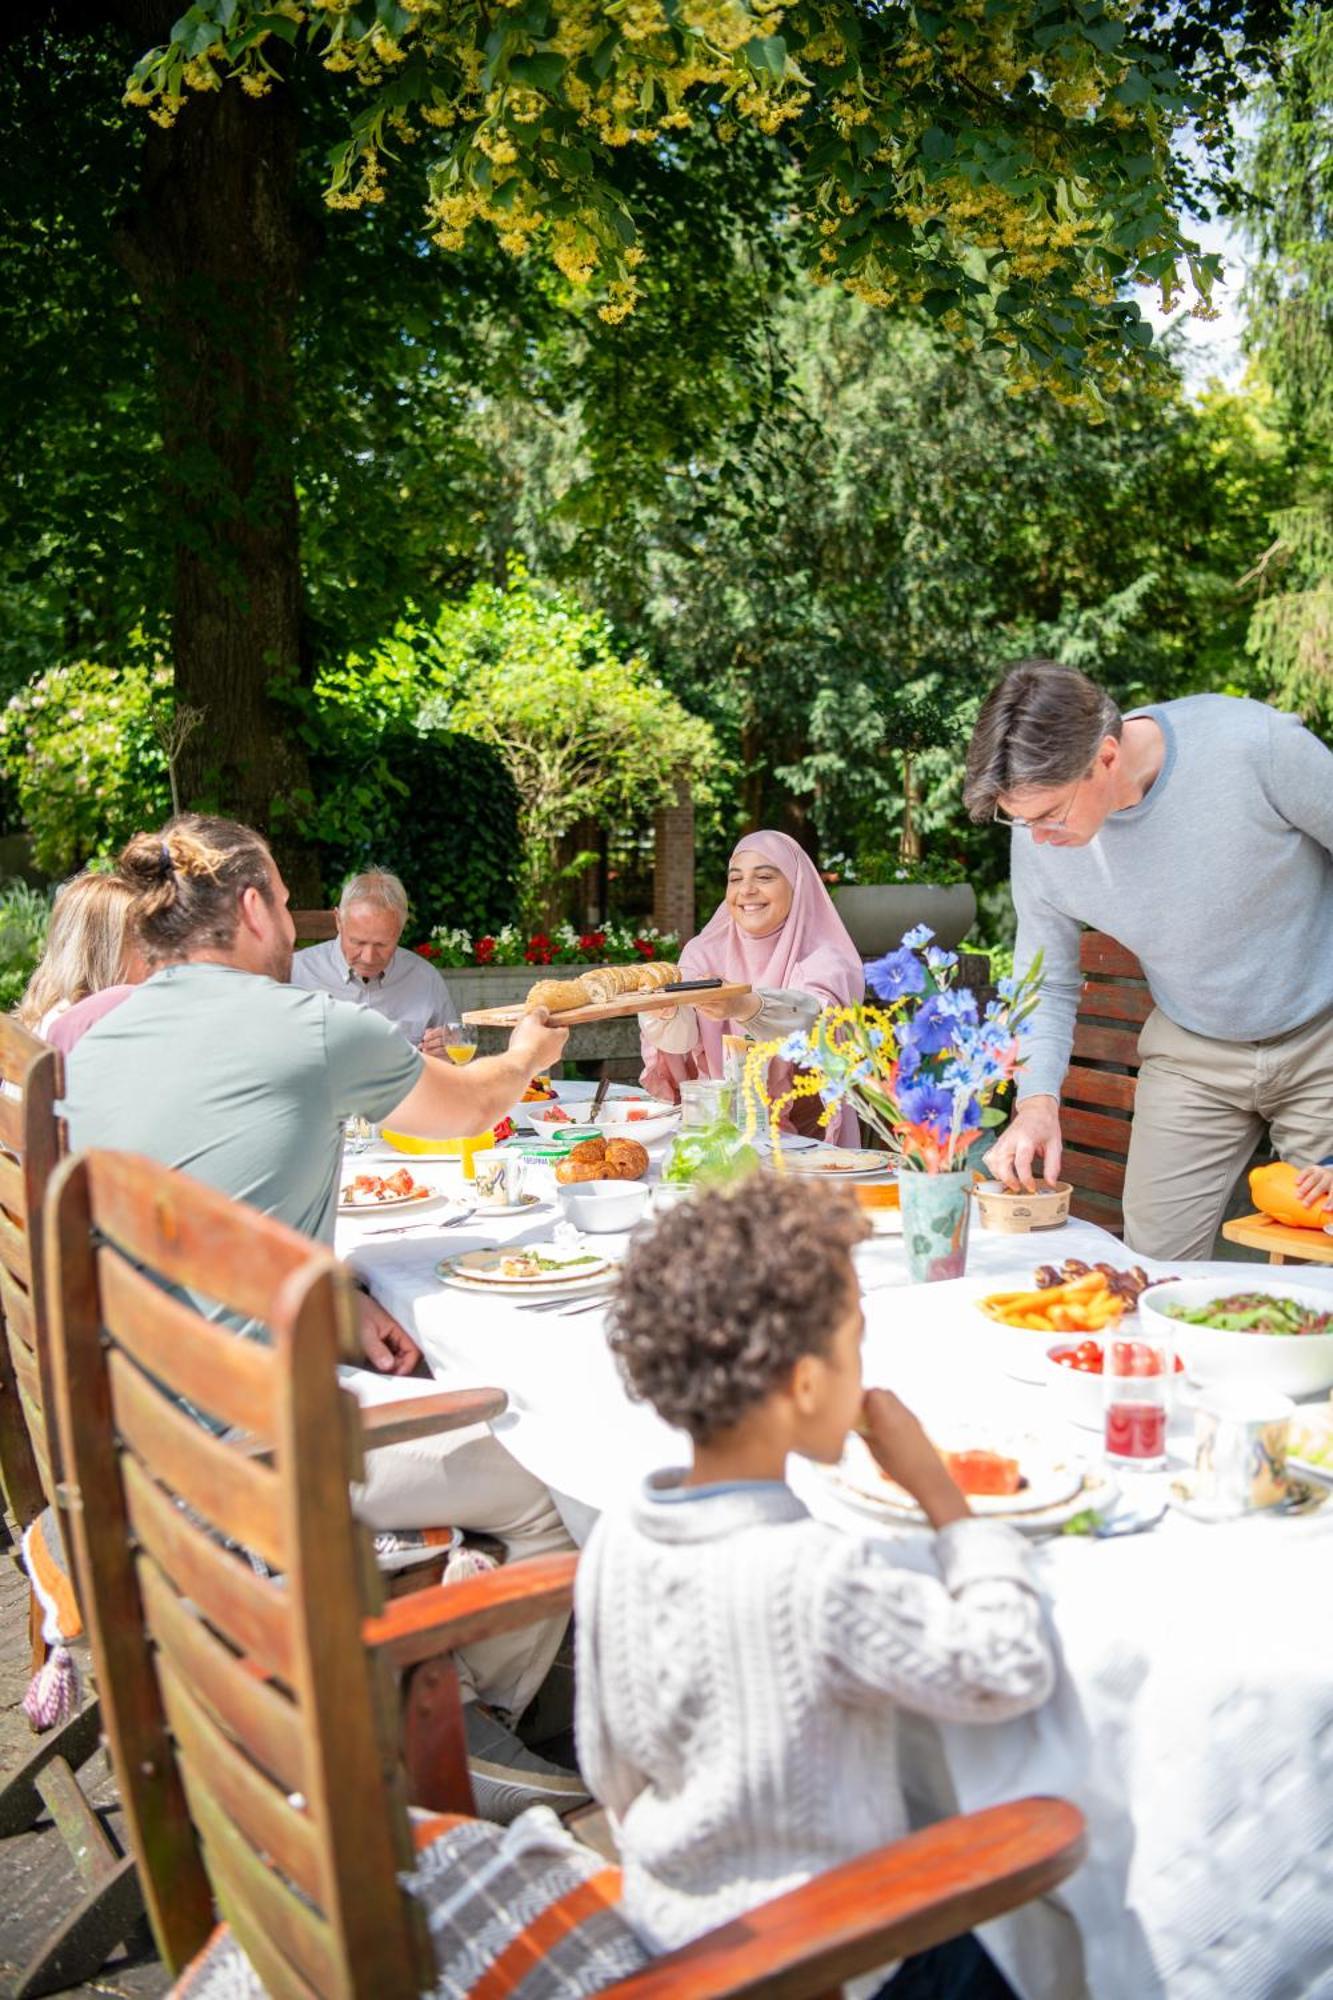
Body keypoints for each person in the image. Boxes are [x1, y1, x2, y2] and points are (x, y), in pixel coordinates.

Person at [62, 814, 581, 1815]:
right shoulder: (304, 1022)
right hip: (251, 1454)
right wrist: (524, 1053)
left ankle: (427, 1687)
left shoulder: (102, 1039)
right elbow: (472, 1105)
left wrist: (334, 1301)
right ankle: (447, 1728)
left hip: (142, 1431)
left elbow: (204, 1216)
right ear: (255, 907)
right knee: (550, 1470)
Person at [576, 1176, 1052, 2000]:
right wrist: (944, 1500)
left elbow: (607, 1768)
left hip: (666, 1927)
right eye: (856, 1345)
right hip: (825, 1954)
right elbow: (1005, 1666)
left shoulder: (616, 1536)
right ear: (802, 1384)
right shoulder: (819, 1575)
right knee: (1032, 1948)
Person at [964, 659, 1333, 1261]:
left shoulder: (1255, 748)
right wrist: (1035, 1102)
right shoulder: (1039, 837)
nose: (1036, 838)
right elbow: (1048, 984)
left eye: (1049, 814)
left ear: (1106, 758)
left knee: (1320, 1273)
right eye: (1018, 819)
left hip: (1323, 1035)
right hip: (1192, 1048)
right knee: (1153, 1269)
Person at [640, 830, 865, 1143]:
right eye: (735, 878)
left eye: (764, 876)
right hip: (716, 1135)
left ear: (796, 886)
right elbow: (681, 1041)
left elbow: (817, 1024)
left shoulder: (826, 958)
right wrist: (663, 1012)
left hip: (807, 1148)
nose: (746, 890)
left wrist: (747, 1006)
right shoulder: (704, 952)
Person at [289, 868, 460, 1056]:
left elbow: (457, 1056)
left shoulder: (426, 979)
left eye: (381, 944)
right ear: (338, 920)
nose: (368, 958)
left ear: (400, 930)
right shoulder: (296, 973)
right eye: (357, 942)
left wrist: (448, 1055)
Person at [14, 871, 142, 1040]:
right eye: (139, 939)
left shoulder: (53, 1014)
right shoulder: (85, 1027)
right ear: (107, 952)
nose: (150, 953)